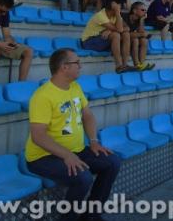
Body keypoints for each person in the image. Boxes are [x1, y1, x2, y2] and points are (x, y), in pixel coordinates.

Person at [25, 49, 121, 221]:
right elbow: (38, 136)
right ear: (64, 67)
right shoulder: (42, 96)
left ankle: (91, 216)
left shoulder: (75, 87)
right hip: (43, 157)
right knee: (83, 177)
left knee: (112, 162)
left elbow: (88, 116)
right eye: (77, 63)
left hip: (74, 150)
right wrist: (67, 155)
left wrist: (93, 141)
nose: (80, 66)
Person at [81, 0, 133, 72]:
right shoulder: (100, 15)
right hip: (88, 42)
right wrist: (117, 13)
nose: (121, 10)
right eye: (119, 8)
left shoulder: (115, 16)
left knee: (126, 34)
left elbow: (127, 28)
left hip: (101, 40)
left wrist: (110, 30)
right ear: (113, 9)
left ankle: (124, 65)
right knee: (116, 35)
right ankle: (118, 66)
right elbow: (120, 30)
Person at [124, 1, 154, 71]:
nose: (145, 12)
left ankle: (141, 64)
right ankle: (137, 64)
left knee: (144, 40)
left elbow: (141, 32)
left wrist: (141, 20)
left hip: (128, 40)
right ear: (134, 10)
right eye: (143, 10)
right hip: (121, 40)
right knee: (135, 39)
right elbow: (126, 34)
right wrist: (141, 34)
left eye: (146, 10)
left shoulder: (138, 19)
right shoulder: (124, 17)